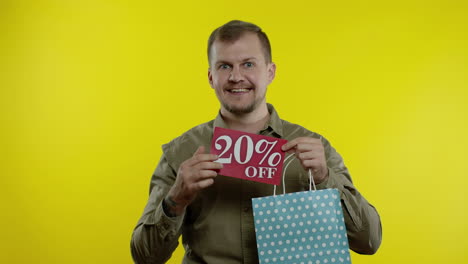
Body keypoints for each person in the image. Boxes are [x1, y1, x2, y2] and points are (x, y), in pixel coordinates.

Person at [131, 20, 382, 264]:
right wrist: (176, 199)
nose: (236, 76)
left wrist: (326, 179)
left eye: (248, 64)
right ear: (210, 77)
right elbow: (145, 257)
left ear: (270, 72)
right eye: (224, 66)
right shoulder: (181, 153)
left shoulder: (314, 148)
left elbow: (369, 241)